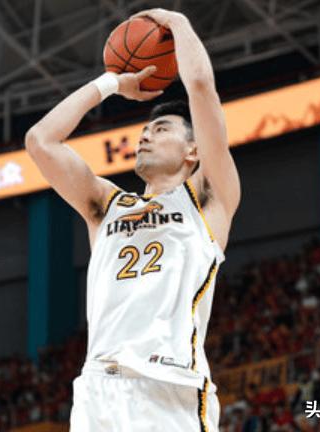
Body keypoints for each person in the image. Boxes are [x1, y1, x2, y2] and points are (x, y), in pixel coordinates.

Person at [25, 7, 241, 431]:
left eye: (161, 130)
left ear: (193, 151)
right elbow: (40, 141)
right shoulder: (106, 205)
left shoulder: (207, 199)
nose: (146, 136)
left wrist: (176, 21)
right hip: (98, 390)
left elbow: (200, 85)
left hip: (168, 387)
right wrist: (111, 83)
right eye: (144, 131)